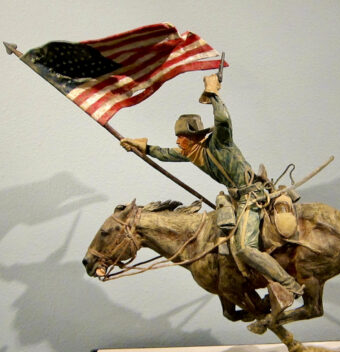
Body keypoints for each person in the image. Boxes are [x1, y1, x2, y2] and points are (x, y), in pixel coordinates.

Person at [120, 74, 303, 306]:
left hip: (251, 197)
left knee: (246, 248)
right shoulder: (193, 154)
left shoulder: (220, 142)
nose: (178, 143)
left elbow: (223, 120)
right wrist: (144, 147)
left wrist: (214, 95)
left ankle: (290, 285)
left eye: (181, 138)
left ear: (193, 137)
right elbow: (165, 154)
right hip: (236, 199)